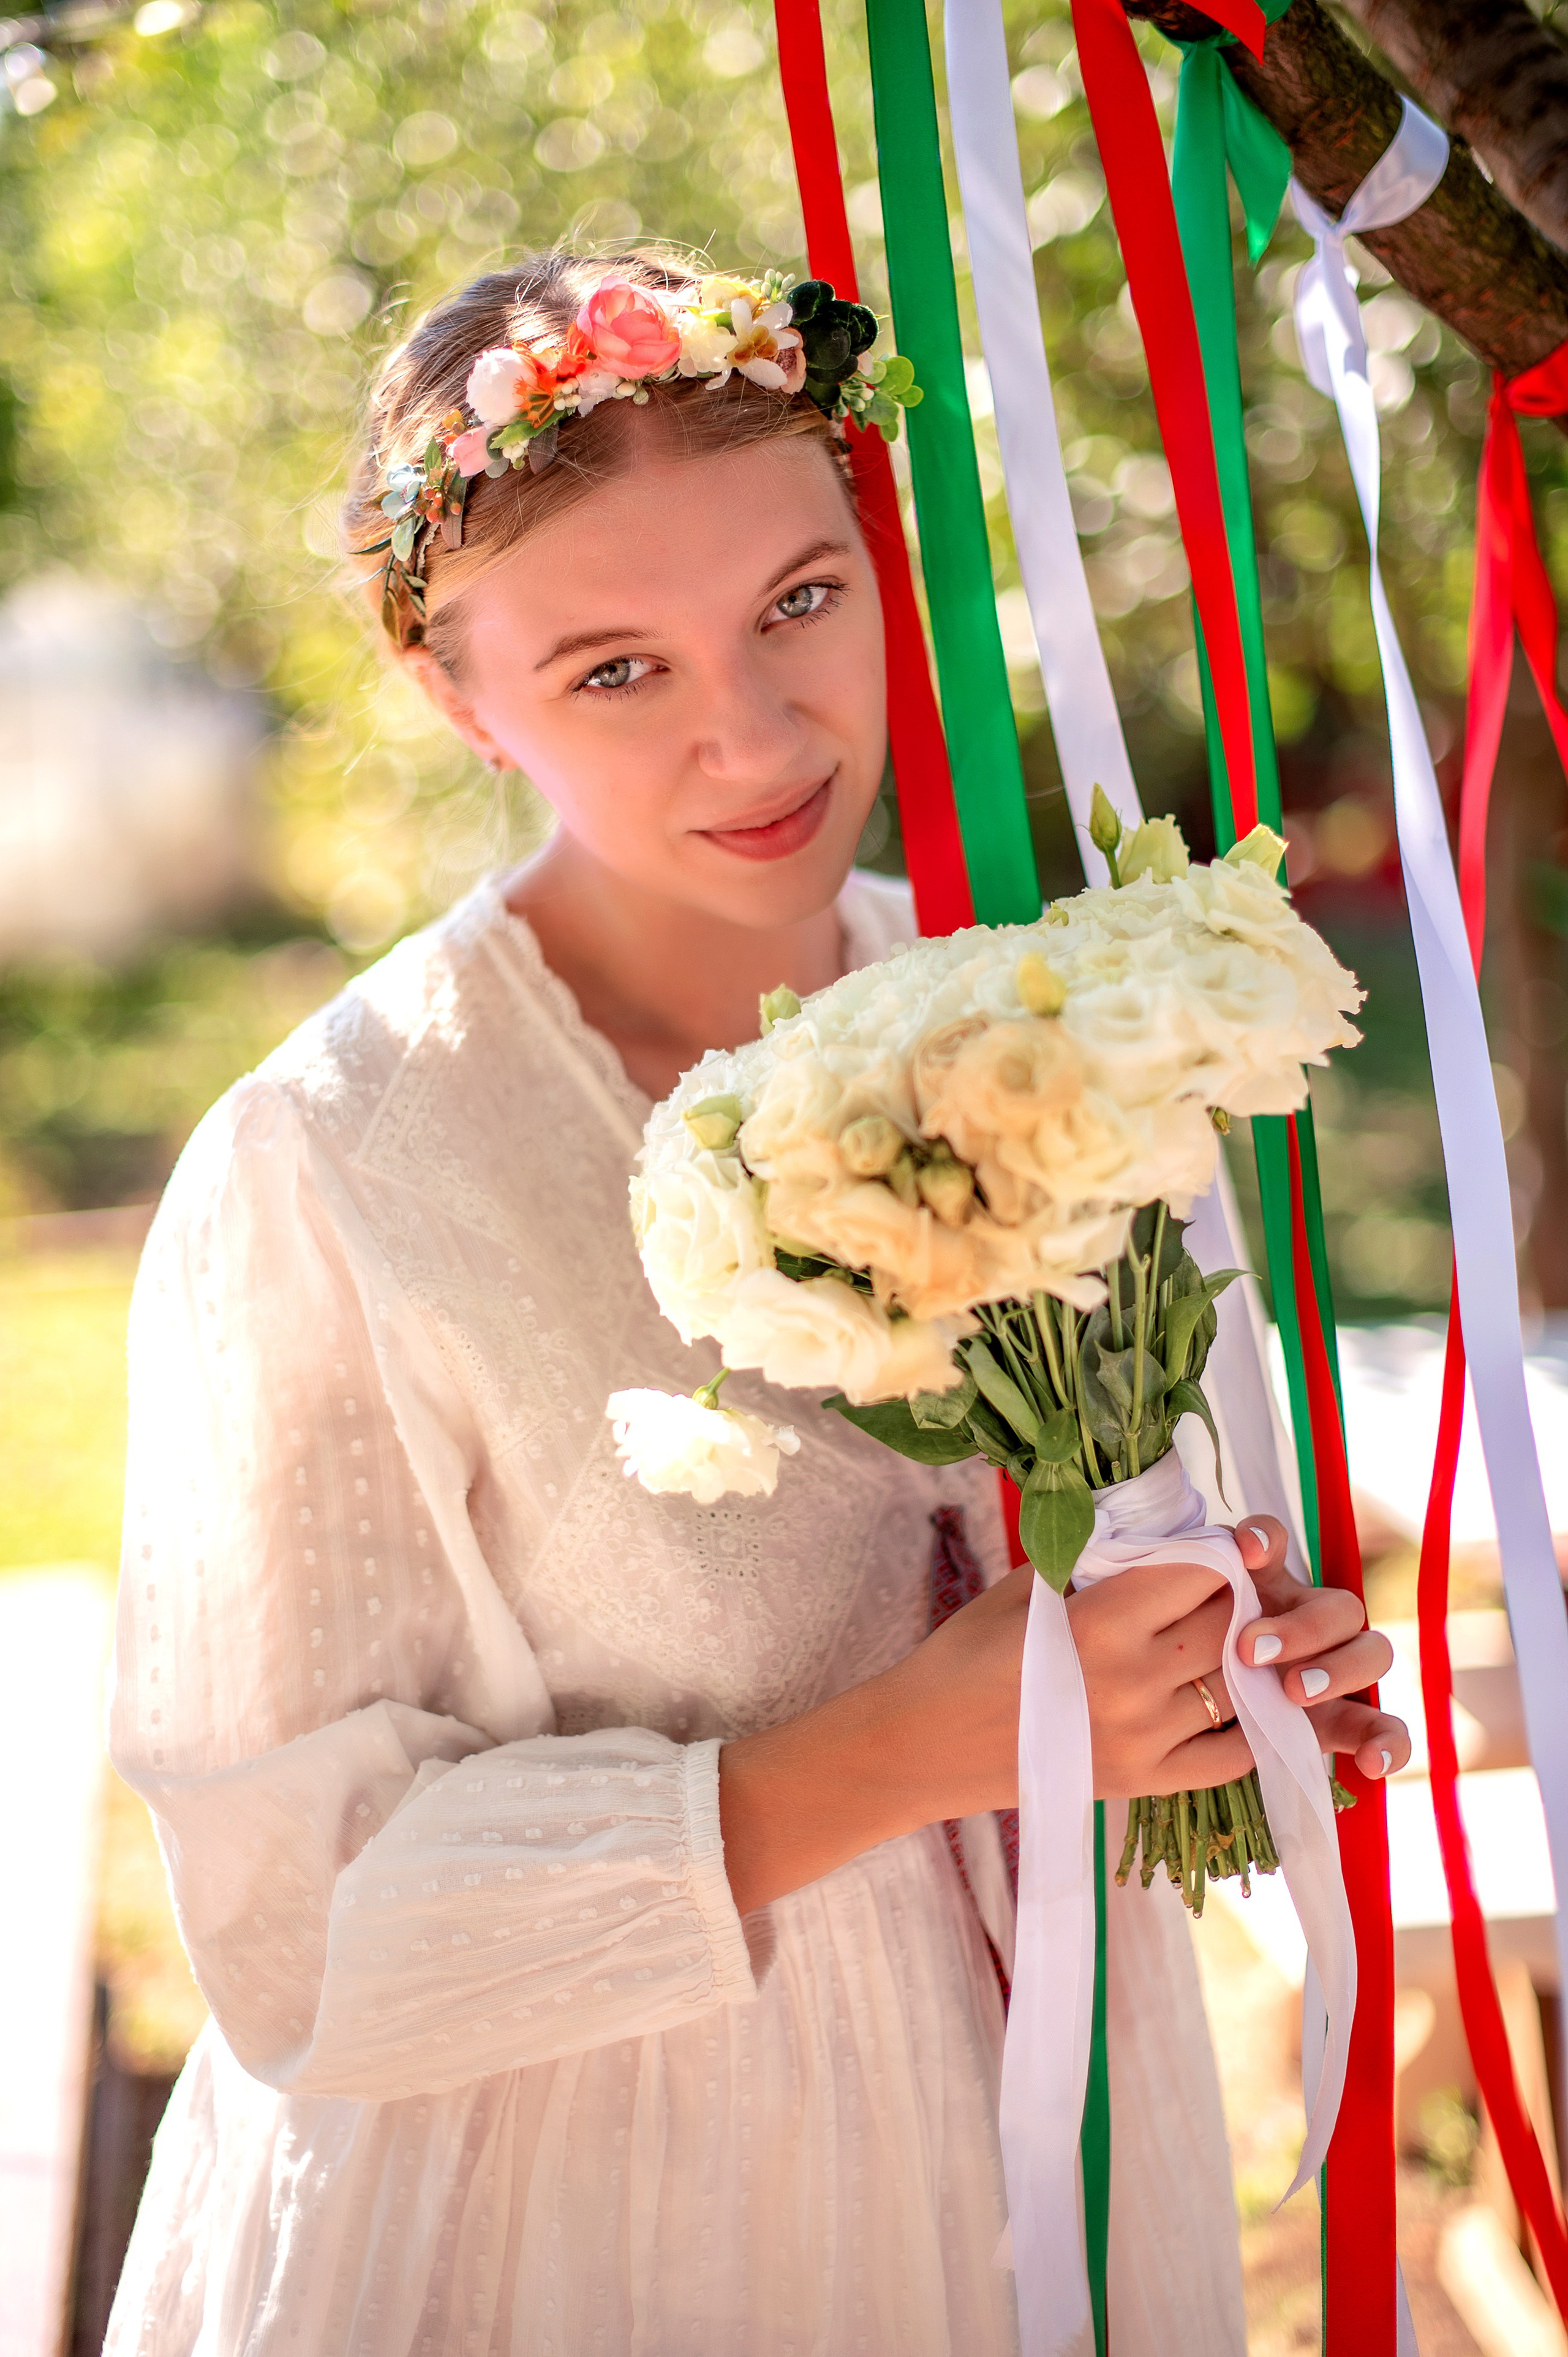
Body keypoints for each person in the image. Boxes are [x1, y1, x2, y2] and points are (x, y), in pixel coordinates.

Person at [106, 249, 1409, 2357]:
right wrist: (890, 1759)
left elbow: (1131, 1579)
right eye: (614, 669)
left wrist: (1231, 1698)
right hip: (586, 2226)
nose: (753, 731)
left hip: (1056, 2169)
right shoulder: (338, 1166)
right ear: (459, 693)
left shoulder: (1048, 1030)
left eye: (799, 600)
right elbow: (297, 1944)